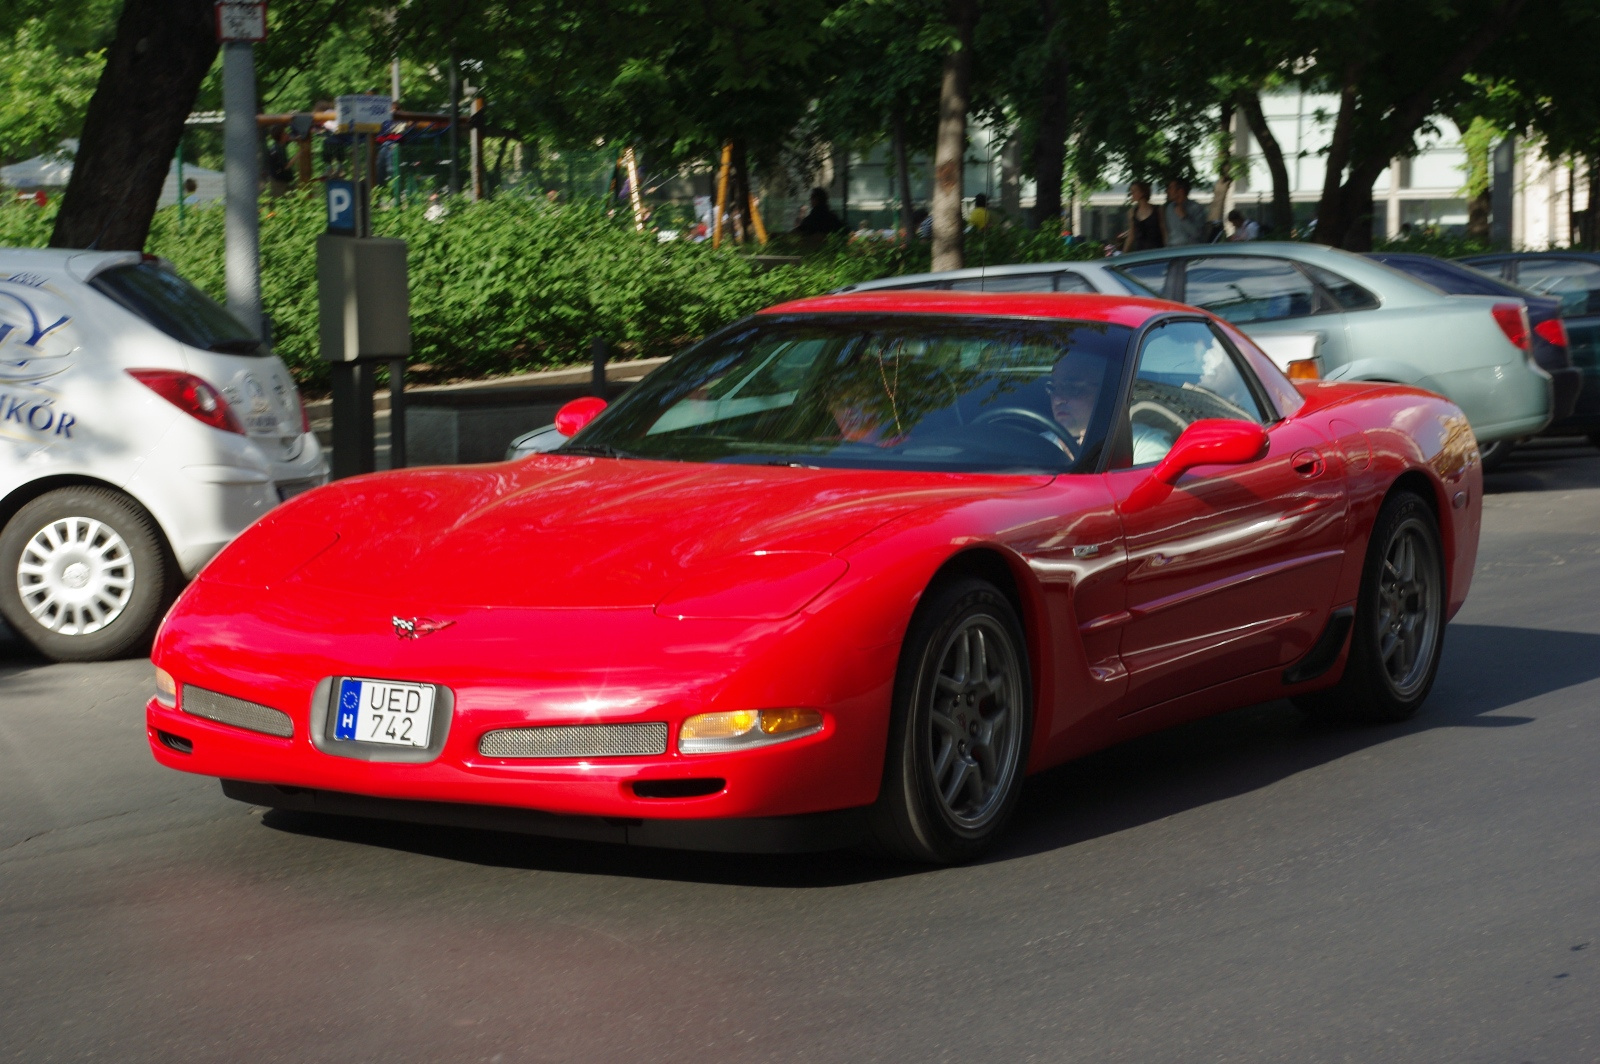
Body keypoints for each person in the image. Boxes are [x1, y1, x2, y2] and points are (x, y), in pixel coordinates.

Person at [1049, 351, 1170, 465]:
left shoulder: (1145, 444)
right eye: (1053, 388)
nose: (1057, 399)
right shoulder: (1039, 442)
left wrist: (1084, 466)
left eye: (1072, 388)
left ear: (1104, 392)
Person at [1163, 178, 1209, 246]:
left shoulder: (1196, 208)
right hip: (1172, 249)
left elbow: (1197, 234)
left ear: (1180, 191)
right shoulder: (1169, 208)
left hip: (1189, 250)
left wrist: (1184, 217)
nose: (1167, 191)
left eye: (1170, 188)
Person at [1122, 181, 1164, 253]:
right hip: (1140, 251)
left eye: (1134, 191)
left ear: (1142, 192)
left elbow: (1163, 230)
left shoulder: (1157, 210)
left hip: (1157, 249)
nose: (1132, 194)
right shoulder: (1132, 212)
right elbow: (1131, 235)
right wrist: (1124, 253)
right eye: (1131, 191)